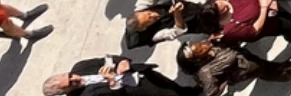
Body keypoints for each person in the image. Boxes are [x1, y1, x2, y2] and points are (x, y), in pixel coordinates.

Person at [178, 40, 291, 96]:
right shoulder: (206, 73)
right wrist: (225, 82)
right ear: (197, 59)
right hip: (244, 69)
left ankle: (280, 66)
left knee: (263, 64)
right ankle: (287, 76)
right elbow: (212, 93)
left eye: (196, 44)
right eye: (199, 49)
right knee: (262, 71)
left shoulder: (207, 45)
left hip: (243, 56)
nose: (202, 44)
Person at [43, 56, 190, 96]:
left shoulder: (80, 67)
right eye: (70, 83)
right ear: (66, 92)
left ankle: (189, 91)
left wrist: (122, 62)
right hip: (138, 90)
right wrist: (112, 82)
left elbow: (107, 58)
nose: (75, 78)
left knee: (169, 84)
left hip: (139, 72)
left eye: (70, 75)